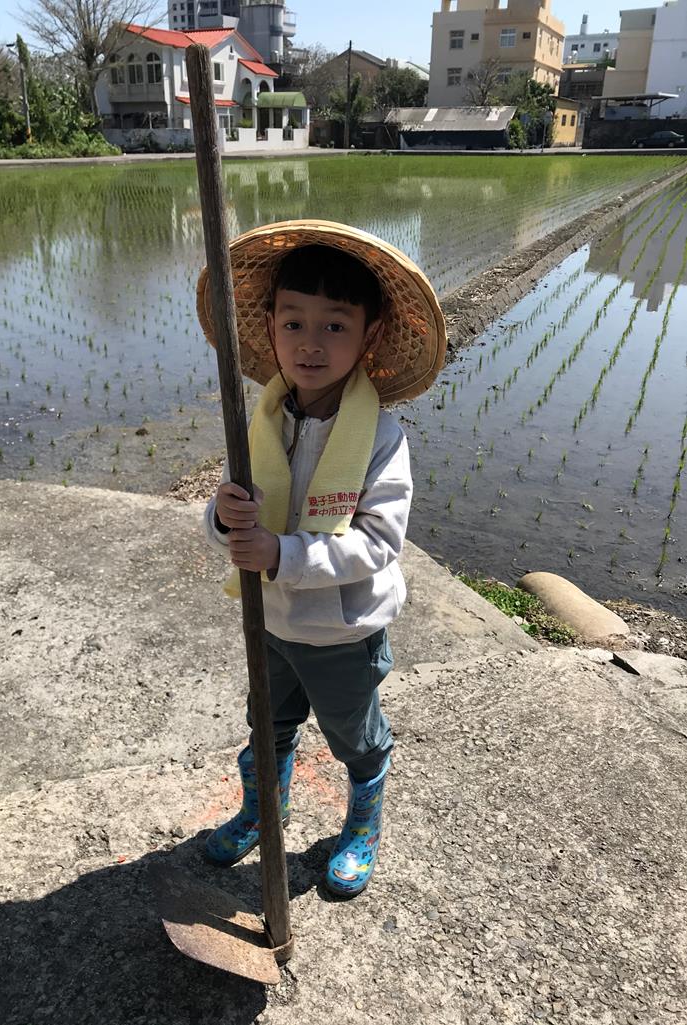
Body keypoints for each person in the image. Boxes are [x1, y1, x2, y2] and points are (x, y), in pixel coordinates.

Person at [198, 220, 445, 899]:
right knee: (266, 726)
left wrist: (279, 552)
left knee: (354, 738)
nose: (311, 343)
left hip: (342, 632)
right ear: (269, 327)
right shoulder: (258, 423)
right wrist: (224, 518)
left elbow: (378, 543)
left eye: (335, 325)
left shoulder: (380, 437)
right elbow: (230, 522)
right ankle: (263, 811)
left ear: (369, 335)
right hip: (271, 622)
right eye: (294, 322)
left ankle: (363, 823)